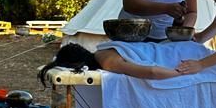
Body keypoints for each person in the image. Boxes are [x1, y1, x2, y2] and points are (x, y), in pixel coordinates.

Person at [38, 42, 180, 84]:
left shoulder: (107, 61)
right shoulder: (101, 53)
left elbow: (152, 72)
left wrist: (180, 72)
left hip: (173, 55)